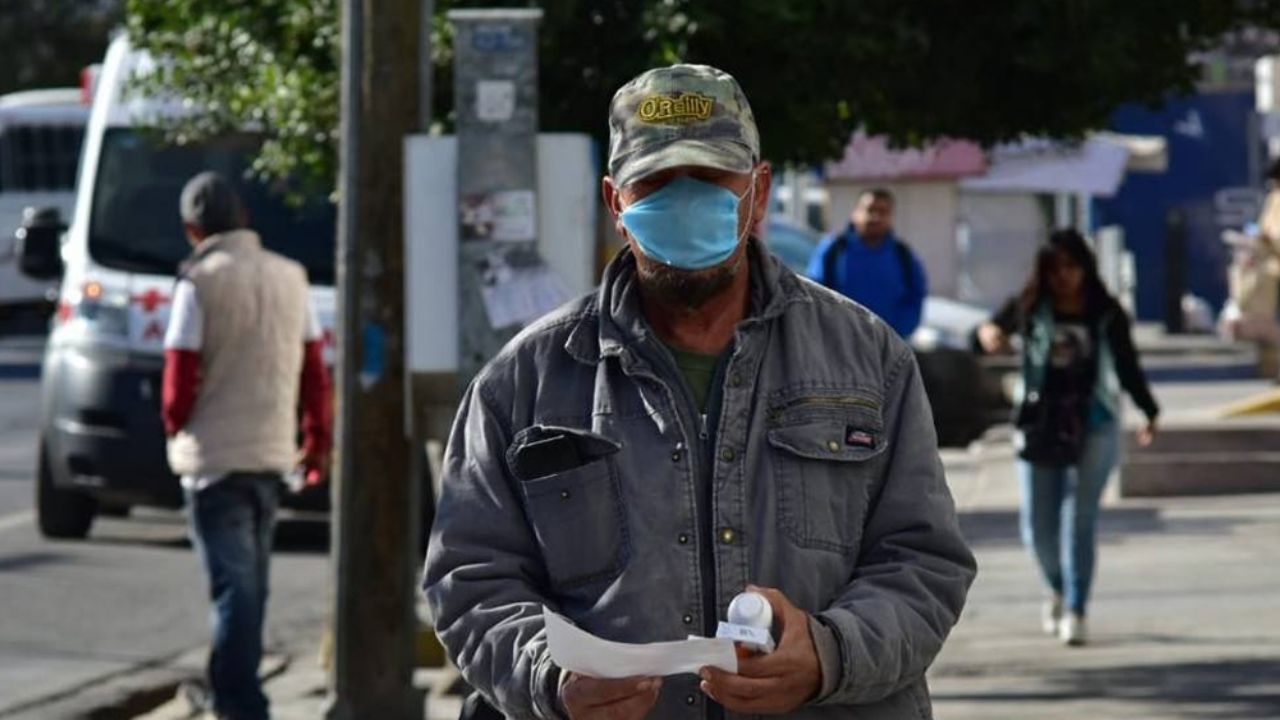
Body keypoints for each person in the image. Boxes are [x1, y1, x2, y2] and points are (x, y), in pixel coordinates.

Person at [423, 64, 975, 720]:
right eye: (655, 182)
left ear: (759, 191)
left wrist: (829, 653)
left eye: (711, 179)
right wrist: (550, 677)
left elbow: (922, 560)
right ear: (615, 202)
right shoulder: (522, 384)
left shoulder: (868, 360)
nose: (684, 202)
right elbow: (471, 581)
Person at [162, 172, 331, 720]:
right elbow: (313, 372)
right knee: (251, 586)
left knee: (233, 590)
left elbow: (178, 378)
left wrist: (174, 426)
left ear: (193, 229)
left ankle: (239, 702)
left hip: (214, 464)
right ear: (245, 221)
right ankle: (232, 689)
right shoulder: (291, 277)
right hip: (271, 457)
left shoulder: (197, 282)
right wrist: (315, 441)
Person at [975, 228, 1158, 647]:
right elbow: (986, 332)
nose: (1064, 277)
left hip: (1094, 422)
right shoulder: (1030, 305)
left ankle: (1077, 607)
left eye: (1071, 267)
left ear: (1085, 268)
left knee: (1080, 517)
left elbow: (1128, 365)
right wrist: (988, 334)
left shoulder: (1106, 311)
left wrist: (1149, 409)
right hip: (1040, 422)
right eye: (1055, 268)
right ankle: (1055, 586)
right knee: (1037, 525)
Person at [806, 188, 928, 338]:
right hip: (838, 345)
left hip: (888, 349)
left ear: (891, 216)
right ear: (856, 213)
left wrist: (895, 333)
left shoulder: (904, 255)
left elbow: (915, 298)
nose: (875, 217)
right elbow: (814, 292)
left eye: (883, 212)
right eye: (870, 210)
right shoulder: (834, 250)